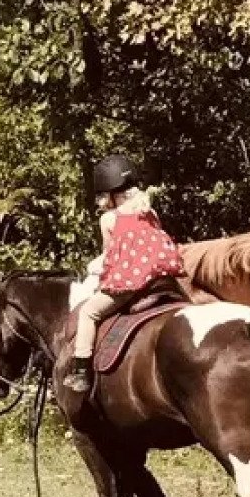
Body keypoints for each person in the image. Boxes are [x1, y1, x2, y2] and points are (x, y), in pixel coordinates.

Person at [62, 154, 186, 395]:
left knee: (88, 313)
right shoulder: (149, 213)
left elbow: (109, 257)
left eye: (101, 195)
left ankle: (81, 372)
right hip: (161, 280)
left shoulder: (109, 219)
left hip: (132, 284)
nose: (101, 201)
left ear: (110, 194)